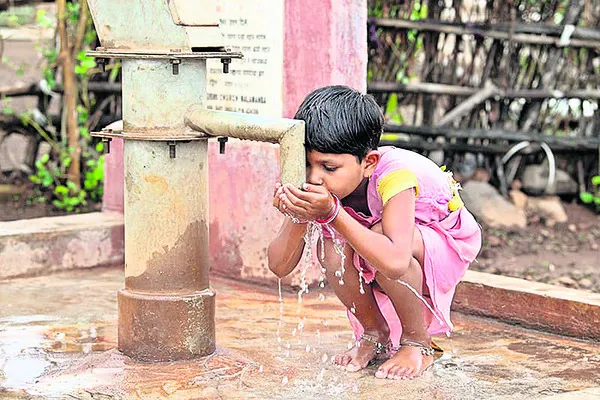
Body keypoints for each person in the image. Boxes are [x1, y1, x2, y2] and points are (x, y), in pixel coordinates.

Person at [267, 85, 482, 380]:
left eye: (329, 167)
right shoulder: (319, 181)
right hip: (393, 244)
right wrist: (297, 213)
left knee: (380, 236)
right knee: (331, 248)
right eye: (306, 164)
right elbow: (279, 266)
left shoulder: (395, 176)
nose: (314, 177)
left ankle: (417, 343)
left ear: (368, 163)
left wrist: (332, 213)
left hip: (445, 243)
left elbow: (395, 261)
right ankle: (374, 333)